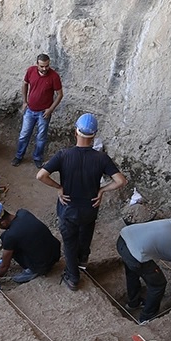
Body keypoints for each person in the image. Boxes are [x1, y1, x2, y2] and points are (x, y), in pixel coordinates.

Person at [36, 113, 127, 290]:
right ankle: (83, 262)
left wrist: (58, 187)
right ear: (94, 135)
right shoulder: (101, 158)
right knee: (85, 235)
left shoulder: (63, 155)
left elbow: (41, 175)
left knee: (69, 243)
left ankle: (73, 278)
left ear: (75, 131)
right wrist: (102, 190)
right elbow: (121, 181)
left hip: (68, 209)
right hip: (90, 208)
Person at [116, 219, 171, 322]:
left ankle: (133, 303)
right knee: (158, 284)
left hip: (123, 239)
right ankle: (146, 318)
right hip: (134, 255)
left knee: (132, 271)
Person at [0, 202, 61, 284]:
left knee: (10, 244)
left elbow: (5, 266)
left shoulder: (10, 236)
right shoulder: (23, 212)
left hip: (44, 264)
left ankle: (34, 270)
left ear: (3, 223)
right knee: (9, 238)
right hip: (55, 251)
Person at [13, 54, 62, 168]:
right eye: (42, 66)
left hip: (44, 113)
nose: (45, 69)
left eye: (47, 66)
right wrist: (24, 101)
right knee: (24, 134)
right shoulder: (31, 71)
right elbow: (25, 84)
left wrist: (50, 109)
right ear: (37, 64)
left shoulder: (54, 76)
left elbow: (60, 94)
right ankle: (19, 156)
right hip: (30, 110)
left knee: (41, 137)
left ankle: (37, 158)